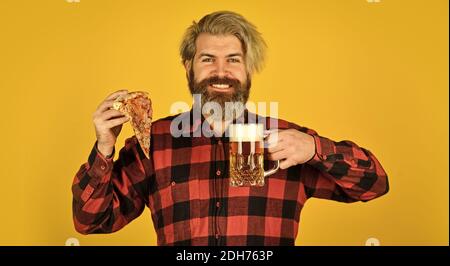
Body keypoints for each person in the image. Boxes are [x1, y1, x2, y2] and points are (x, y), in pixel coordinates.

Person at [72, 11, 389, 246]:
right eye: (208, 59)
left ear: (248, 67)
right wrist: (104, 148)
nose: (220, 72)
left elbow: (374, 184)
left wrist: (315, 149)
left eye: (233, 60)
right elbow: (92, 222)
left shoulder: (290, 143)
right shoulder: (154, 143)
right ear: (189, 66)